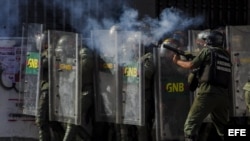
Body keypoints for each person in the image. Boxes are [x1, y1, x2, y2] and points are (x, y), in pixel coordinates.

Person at [172, 30, 232, 141]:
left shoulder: (208, 51)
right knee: (224, 129)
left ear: (209, 41)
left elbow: (191, 65)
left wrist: (177, 62)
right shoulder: (226, 56)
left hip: (207, 93)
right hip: (223, 95)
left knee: (190, 127)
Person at [117, 36, 155, 141]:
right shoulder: (127, 58)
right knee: (124, 124)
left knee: (141, 125)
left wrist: (133, 69)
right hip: (128, 94)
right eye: (132, 44)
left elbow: (148, 72)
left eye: (136, 44)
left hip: (142, 95)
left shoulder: (148, 56)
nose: (133, 47)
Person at [63, 45, 95, 141]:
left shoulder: (85, 52)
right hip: (77, 91)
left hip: (86, 91)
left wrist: (72, 66)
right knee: (68, 121)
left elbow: (84, 67)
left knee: (73, 119)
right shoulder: (76, 54)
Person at [36, 37, 64, 141]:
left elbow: (44, 63)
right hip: (48, 88)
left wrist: (35, 56)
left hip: (49, 89)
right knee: (51, 121)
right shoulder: (45, 52)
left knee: (41, 119)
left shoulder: (51, 51)